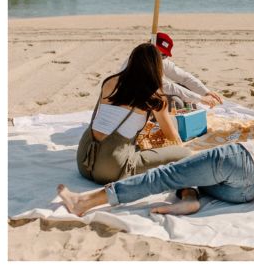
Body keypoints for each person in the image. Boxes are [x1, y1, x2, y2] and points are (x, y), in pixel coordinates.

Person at [58, 79, 254, 217]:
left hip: (245, 160)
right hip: (247, 193)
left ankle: (86, 202)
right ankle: (190, 198)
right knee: (188, 173)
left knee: (168, 173)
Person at [76, 43, 192, 186]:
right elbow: (171, 135)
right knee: (185, 154)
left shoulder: (109, 82)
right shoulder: (153, 96)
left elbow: (114, 115)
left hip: (84, 160)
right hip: (110, 168)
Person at [126, 32, 223, 109]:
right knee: (176, 102)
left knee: (185, 87)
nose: (160, 58)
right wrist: (200, 99)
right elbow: (168, 86)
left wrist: (205, 92)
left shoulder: (161, 61)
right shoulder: (141, 60)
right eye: (158, 53)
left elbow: (184, 77)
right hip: (135, 100)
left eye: (164, 55)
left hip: (153, 94)